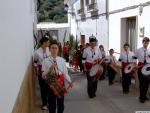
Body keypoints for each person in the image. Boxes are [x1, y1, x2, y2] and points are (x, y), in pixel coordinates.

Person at [42, 40, 72, 113]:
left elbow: (65, 73)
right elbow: (43, 75)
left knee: (61, 105)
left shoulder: (62, 60)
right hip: (51, 84)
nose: (54, 50)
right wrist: (50, 69)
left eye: (56, 48)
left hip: (61, 84)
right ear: (49, 49)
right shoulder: (45, 61)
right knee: (52, 106)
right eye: (52, 48)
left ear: (58, 50)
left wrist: (69, 81)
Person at [34, 37, 50, 110]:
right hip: (41, 70)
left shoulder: (48, 49)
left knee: (49, 87)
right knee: (43, 87)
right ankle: (44, 104)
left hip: (49, 70)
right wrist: (36, 70)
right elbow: (35, 62)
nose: (48, 43)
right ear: (44, 43)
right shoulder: (37, 52)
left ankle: (49, 102)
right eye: (48, 42)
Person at [135, 37, 150, 103]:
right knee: (142, 83)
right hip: (140, 67)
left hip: (148, 68)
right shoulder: (138, 50)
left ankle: (144, 95)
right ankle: (141, 97)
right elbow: (134, 58)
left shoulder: (149, 50)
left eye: (147, 43)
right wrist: (134, 65)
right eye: (145, 42)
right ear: (142, 42)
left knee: (147, 83)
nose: (146, 44)